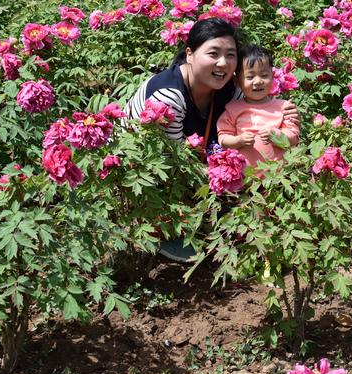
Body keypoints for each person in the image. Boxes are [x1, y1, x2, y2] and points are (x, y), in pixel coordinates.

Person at [124, 18, 301, 262]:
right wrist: (223, 179)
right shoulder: (168, 96)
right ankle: (165, 228)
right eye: (213, 53)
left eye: (230, 55)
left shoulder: (230, 88)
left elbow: (254, 110)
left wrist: (285, 115)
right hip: (147, 166)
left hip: (194, 155)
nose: (223, 63)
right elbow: (172, 162)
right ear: (190, 54)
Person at [217, 44, 299, 172]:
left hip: (278, 176)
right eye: (250, 77)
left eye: (264, 75)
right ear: (237, 81)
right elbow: (223, 137)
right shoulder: (232, 109)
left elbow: (294, 137)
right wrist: (238, 140)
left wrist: (276, 134)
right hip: (245, 177)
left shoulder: (283, 107)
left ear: (272, 77)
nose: (258, 81)